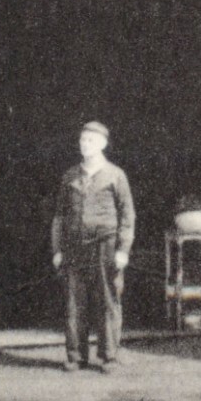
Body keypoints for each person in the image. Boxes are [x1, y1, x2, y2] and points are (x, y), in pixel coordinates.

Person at [51, 121, 135, 373]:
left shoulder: (116, 175)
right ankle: (76, 355)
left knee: (107, 298)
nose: (84, 144)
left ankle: (109, 356)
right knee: (74, 300)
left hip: (105, 245)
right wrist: (57, 250)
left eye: (90, 140)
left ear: (103, 144)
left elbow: (127, 215)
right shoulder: (70, 176)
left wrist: (123, 250)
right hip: (75, 247)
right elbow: (59, 217)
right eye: (82, 140)